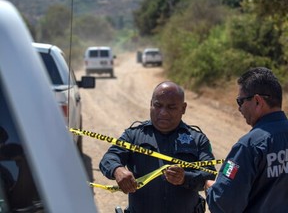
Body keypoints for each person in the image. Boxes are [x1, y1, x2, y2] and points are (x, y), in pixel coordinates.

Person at [99, 81, 216, 213]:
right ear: (151, 104)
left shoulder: (197, 139)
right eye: (158, 105)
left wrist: (185, 178)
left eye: (171, 107)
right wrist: (117, 170)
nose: (163, 113)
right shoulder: (133, 136)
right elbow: (108, 158)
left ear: (183, 108)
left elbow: (209, 175)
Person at [205, 67, 288, 212]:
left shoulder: (248, 145)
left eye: (240, 101)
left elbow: (224, 204)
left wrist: (209, 186)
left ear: (257, 101)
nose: (239, 109)